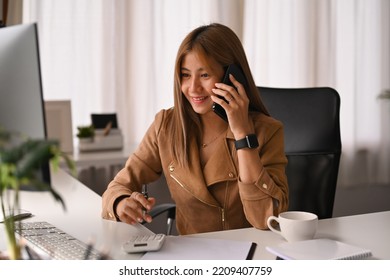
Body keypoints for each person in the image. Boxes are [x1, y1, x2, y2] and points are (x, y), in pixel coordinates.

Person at [102, 23, 288, 235]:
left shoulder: (267, 131)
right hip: (189, 256)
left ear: (233, 76)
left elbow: (264, 219)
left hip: (245, 255)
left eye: (205, 75)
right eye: (186, 75)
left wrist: (243, 135)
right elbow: (118, 186)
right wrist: (120, 203)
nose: (193, 88)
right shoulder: (166, 126)